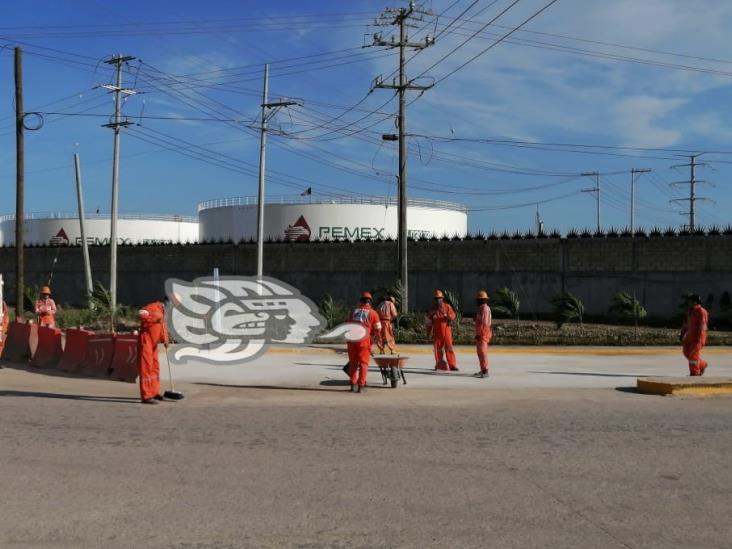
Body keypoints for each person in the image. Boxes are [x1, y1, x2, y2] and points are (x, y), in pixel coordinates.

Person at [346, 291, 381, 393]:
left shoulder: (353, 312)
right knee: (363, 363)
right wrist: (374, 336)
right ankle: (361, 386)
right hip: (364, 340)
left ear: (361, 301)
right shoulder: (373, 313)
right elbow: (378, 329)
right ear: (370, 302)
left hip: (352, 340)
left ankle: (353, 385)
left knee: (353, 363)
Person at [137, 301, 170, 404]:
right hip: (146, 342)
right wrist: (154, 318)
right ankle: (146, 396)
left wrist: (165, 340)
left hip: (154, 344)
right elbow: (141, 313)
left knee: (155, 368)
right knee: (146, 368)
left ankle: (154, 392)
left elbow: (162, 327)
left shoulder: (163, 311)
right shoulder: (153, 307)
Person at [425, 289, 458, 371]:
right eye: (436, 299)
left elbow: (453, 316)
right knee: (438, 349)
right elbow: (428, 323)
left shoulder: (447, 306)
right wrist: (428, 333)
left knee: (449, 348)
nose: (437, 300)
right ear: (434, 300)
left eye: (439, 298)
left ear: (442, 299)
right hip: (437, 331)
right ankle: (439, 364)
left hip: (447, 329)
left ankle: (452, 365)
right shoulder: (432, 310)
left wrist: (448, 317)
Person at [680, 294, 709, 376]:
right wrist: (682, 334)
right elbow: (685, 324)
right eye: (689, 301)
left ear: (696, 301)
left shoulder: (701, 311)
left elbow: (703, 326)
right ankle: (702, 365)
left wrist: (700, 338)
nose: (689, 302)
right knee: (686, 353)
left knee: (693, 356)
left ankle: (695, 373)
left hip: (698, 337)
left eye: (691, 301)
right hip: (689, 337)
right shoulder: (689, 311)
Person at [474, 290, 492, 378]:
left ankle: (485, 371)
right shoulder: (481, 308)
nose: (477, 301)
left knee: (483, 352)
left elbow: (484, 323)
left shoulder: (484, 308)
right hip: (482, 332)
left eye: (478, 300)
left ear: (482, 300)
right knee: (480, 352)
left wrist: (479, 334)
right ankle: (483, 369)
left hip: (483, 333)